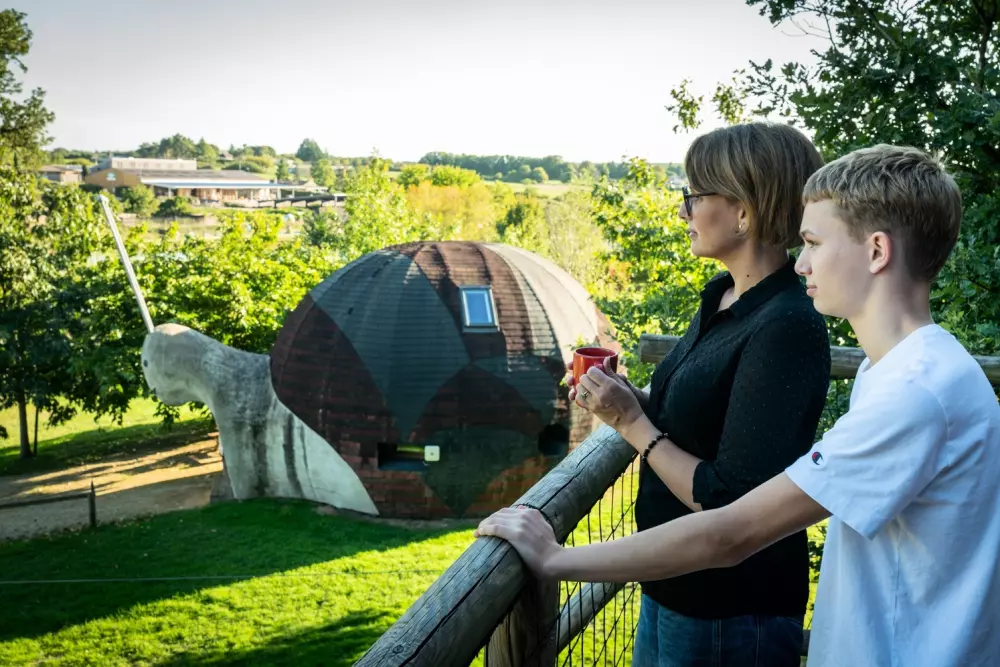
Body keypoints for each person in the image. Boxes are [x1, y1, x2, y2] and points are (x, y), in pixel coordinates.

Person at [476, 144, 1000, 667]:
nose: (801, 263)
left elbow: (731, 532)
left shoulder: (914, 394)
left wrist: (554, 559)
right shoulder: (897, 371)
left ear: (877, 251)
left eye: (813, 243)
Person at [575, 121, 831, 666]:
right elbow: (698, 424)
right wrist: (625, 398)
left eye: (693, 196)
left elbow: (729, 499)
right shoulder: (723, 296)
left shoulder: (786, 325)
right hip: (674, 585)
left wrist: (631, 423)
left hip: (729, 613)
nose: (682, 211)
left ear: (744, 213)